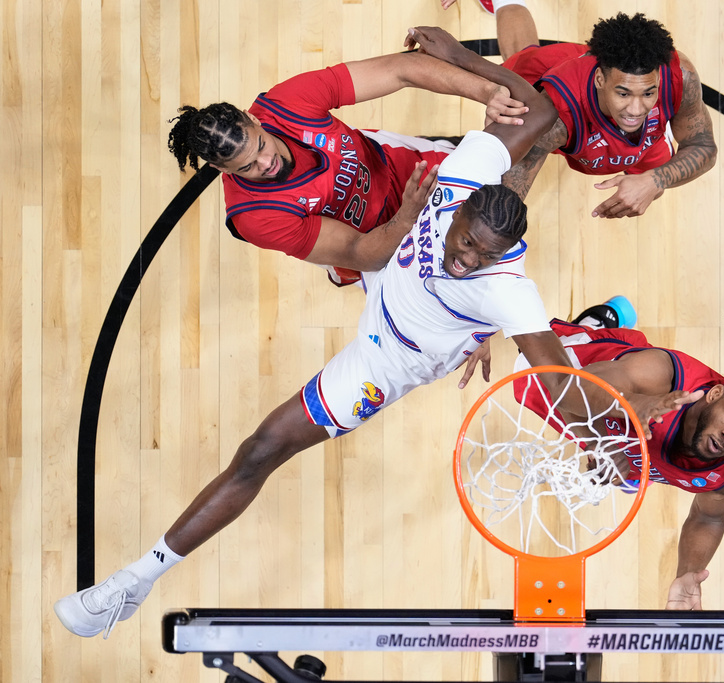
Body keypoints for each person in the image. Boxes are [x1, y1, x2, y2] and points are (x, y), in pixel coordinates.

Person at [54, 26, 681, 641]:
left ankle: (589, 328)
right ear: (457, 201)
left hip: (397, 360)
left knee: (280, 430)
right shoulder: (455, 171)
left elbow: (558, 386)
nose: (463, 260)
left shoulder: (505, 289)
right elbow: (534, 112)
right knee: (258, 450)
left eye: (479, 259)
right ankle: (137, 579)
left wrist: (624, 430)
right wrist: (465, 80)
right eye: (463, 245)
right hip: (383, 243)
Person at [512, 310, 724, 610]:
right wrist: (600, 445)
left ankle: (636, 465)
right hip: (587, 368)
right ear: (714, 395)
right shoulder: (660, 375)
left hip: (634, 441)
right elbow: (568, 393)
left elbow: (709, 518)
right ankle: (598, 321)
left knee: (630, 466)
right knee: (525, 372)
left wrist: (688, 574)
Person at [167, 43, 530, 286]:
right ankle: (338, 273)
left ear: (254, 119)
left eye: (261, 146)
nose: (267, 162)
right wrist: (406, 217)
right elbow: (360, 253)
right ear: (222, 171)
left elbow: (401, 69)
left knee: (492, 189)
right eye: (247, 167)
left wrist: (488, 93)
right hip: (372, 243)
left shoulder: (287, 103)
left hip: (397, 165)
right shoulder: (255, 217)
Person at [441, 1, 718, 219]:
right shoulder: (551, 113)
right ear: (600, 80)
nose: (637, 108)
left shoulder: (679, 76)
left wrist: (655, 180)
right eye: (623, 93)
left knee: (655, 187)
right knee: (520, 55)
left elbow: (703, 146)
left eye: (649, 93)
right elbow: (505, 196)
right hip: (546, 82)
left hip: (621, 125)